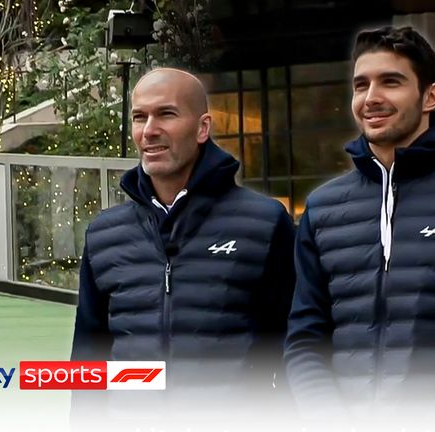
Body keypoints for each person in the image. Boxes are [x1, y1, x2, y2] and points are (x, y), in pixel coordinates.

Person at [71, 68, 295, 426]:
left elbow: (289, 349)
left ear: (202, 128)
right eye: (139, 117)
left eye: (167, 114)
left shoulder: (265, 223)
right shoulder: (104, 233)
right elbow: (88, 357)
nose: (149, 130)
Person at [285, 26, 435, 422]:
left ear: (430, 96)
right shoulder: (324, 208)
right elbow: (306, 337)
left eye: (390, 82)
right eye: (361, 86)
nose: (371, 98)